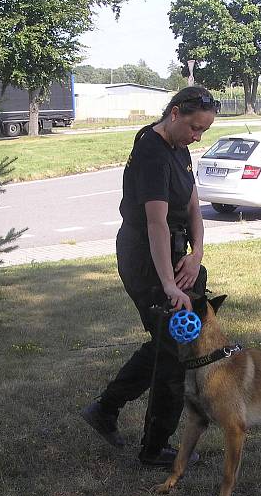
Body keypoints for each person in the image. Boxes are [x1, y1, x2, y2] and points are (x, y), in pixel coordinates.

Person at [81, 87, 220, 464]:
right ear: (174, 113)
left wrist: (196, 256)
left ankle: (106, 409)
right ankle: (155, 447)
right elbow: (156, 224)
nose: (197, 136)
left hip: (175, 256)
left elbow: (193, 206)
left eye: (203, 130)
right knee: (176, 348)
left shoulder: (180, 148)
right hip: (145, 258)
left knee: (169, 341)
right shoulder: (151, 152)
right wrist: (171, 285)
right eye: (194, 127)